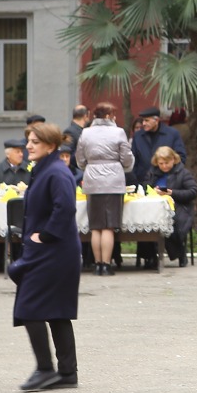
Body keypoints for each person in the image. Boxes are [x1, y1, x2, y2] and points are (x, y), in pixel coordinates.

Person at [7, 121, 81, 392]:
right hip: (50, 251)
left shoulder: (57, 172)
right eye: (28, 141)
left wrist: (47, 235)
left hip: (54, 252)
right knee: (57, 311)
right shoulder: (45, 169)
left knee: (29, 307)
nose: (28, 146)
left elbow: (65, 208)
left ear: (51, 146)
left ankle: (46, 370)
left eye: (35, 142)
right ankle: (67, 373)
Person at [76, 102, 133, 277]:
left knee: (96, 226)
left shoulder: (86, 133)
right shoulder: (118, 132)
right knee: (109, 226)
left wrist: (90, 166)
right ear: (108, 116)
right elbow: (127, 158)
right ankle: (107, 265)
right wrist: (123, 167)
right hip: (113, 180)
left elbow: (80, 159)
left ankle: (97, 265)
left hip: (92, 180)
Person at [143, 145, 197, 267]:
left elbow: (193, 192)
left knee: (171, 221)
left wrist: (172, 193)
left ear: (173, 159)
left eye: (167, 163)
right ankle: (150, 256)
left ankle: (180, 253)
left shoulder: (183, 173)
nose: (164, 166)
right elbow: (145, 187)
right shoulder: (152, 173)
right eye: (161, 163)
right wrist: (151, 190)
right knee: (144, 221)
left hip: (179, 206)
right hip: (154, 207)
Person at [131, 107, 184, 183]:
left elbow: (180, 157)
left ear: (156, 120)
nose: (143, 123)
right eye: (143, 120)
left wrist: (172, 175)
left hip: (167, 180)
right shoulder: (138, 136)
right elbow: (134, 159)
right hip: (143, 180)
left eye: (147, 120)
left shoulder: (172, 134)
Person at [62, 105, 91, 174]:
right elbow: (66, 152)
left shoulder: (83, 130)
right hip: (75, 172)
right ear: (85, 116)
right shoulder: (69, 131)